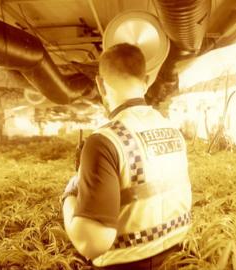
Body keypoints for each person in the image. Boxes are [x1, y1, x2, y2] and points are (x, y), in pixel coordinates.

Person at [62, 43, 192, 270]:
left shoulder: (105, 141)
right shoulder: (173, 131)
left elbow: (91, 242)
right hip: (178, 259)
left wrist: (69, 196)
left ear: (100, 84)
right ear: (147, 80)